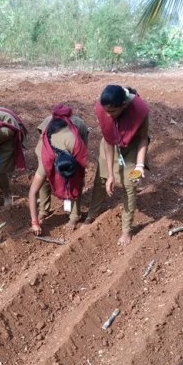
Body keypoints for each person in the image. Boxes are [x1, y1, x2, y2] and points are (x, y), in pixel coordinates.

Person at [85, 85, 149, 246]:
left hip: (132, 149)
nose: (108, 114)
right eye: (106, 110)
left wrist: (140, 165)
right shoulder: (103, 110)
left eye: (112, 111)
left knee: (130, 185)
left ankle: (126, 230)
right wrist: (111, 175)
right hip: (110, 145)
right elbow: (107, 141)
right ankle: (92, 213)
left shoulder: (140, 111)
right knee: (101, 179)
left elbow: (143, 139)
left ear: (124, 105)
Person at [28, 104, 90, 235]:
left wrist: (78, 178)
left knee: (75, 182)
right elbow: (32, 192)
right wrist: (34, 223)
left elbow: (81, 167)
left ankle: (74, 216)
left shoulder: (77, 141)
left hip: (73, 147)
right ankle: (43, 210)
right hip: (45, 150)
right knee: (44, 183)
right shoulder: (45, 163)